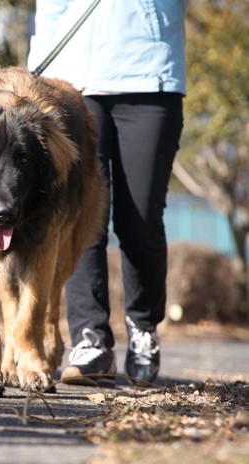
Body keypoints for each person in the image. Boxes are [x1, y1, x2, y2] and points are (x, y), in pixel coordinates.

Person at [28, 0, 187, 386]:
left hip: (148, 73)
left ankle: (143, 326)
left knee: (140, 218)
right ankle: (91, 338)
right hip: (66, 75)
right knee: (80, 217)